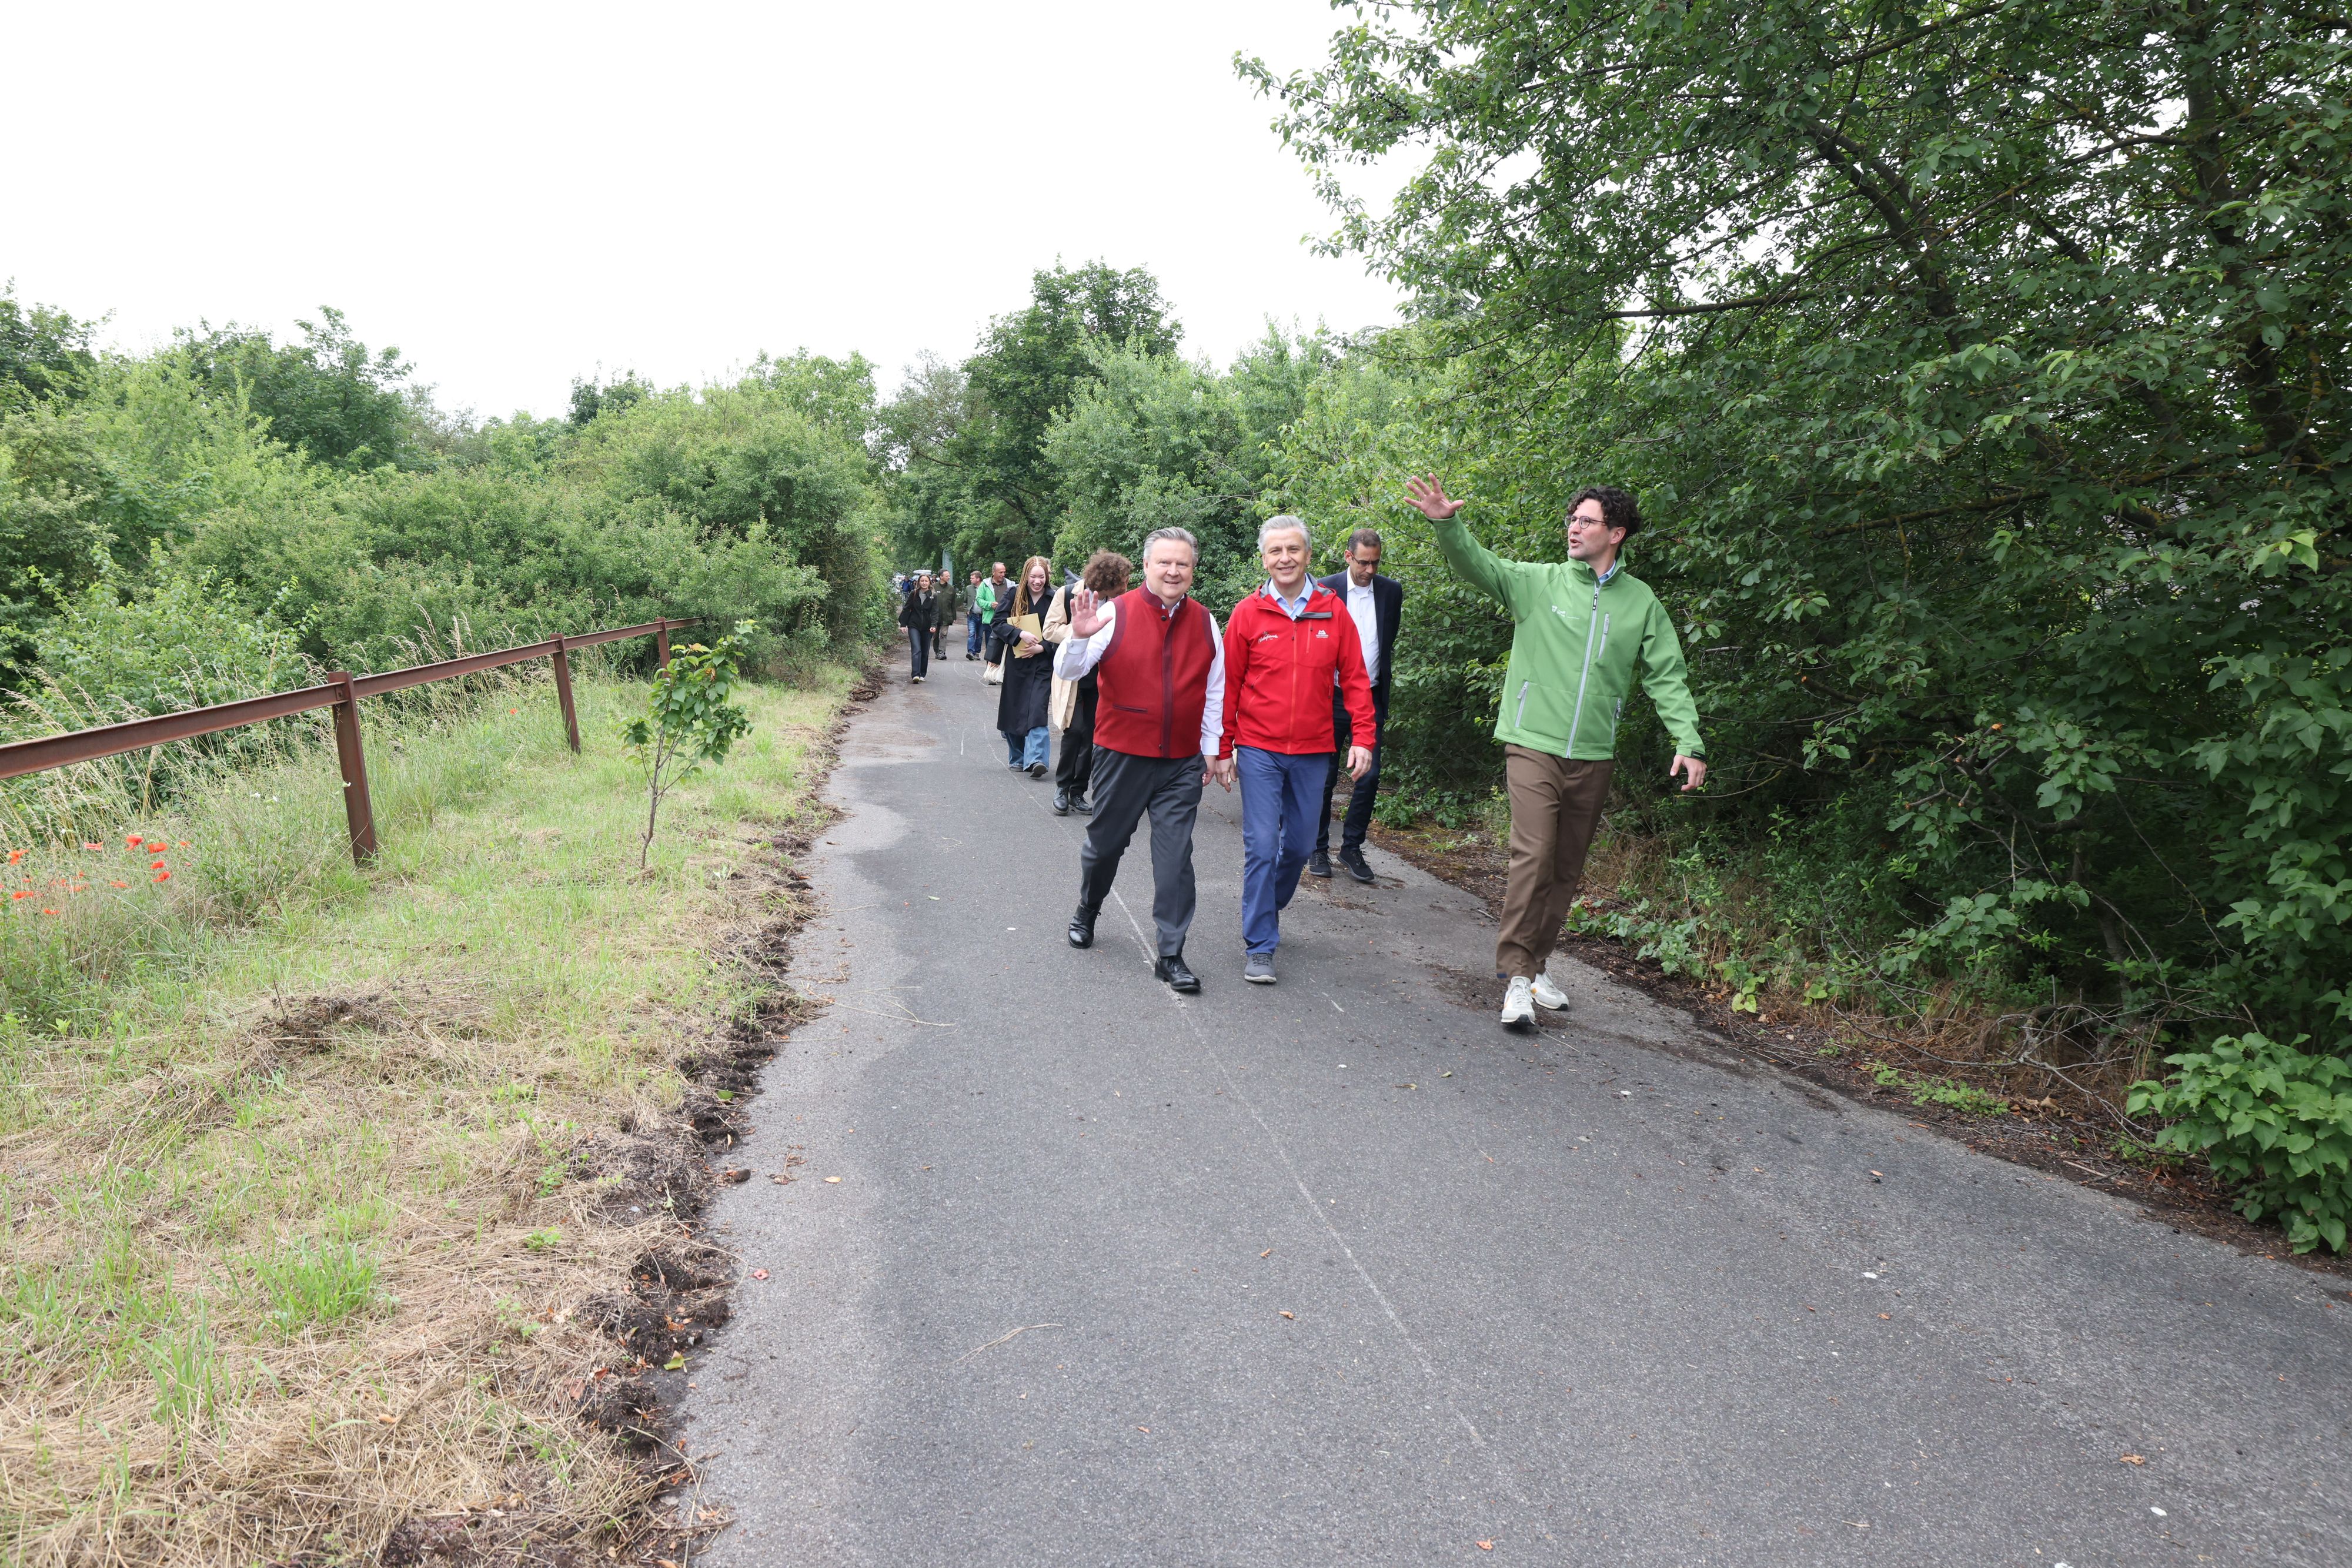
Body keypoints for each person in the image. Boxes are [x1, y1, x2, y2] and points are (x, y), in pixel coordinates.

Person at [1404, 476, 1708, 1031]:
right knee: (1534, 855)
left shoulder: (1641, 602)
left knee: (1565, 868)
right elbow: (1479, 565)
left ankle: (1538, 964)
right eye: (1572, 518)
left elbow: (1667, 675)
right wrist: (1446, 523)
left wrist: (1688, 741)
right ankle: (1516, 976)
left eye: (1586, 520)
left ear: (1616, 533)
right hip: (1533, 743)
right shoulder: (1538, 583)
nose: (1574, 526)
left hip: (1594, 751)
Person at [1056, 527, 1230, 994]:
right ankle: (1088, 908)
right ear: (1147, 565)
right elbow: (1070, 671)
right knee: (1104, 847)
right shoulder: (1115, 613)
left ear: (1193, 570)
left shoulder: (1206, 621)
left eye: (1183, 564)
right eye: (1165, 563)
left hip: (1180, 763)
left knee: (1175, 859)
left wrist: (1212, 749)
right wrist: (1077, 636)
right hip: (1121, 755)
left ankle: (1170, 954)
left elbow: (1215, 690)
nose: (1174, 571)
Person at [1215, 517, 1375, 985]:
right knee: (1262, 845)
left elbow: (1357, 679)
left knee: (1302, 845)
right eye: (1274, 551)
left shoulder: (1332, 611)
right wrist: (1224, 747)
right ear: (1263, 559)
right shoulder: (1248, 613)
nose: (1284, 558)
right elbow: (1228, 686)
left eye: (1293, 549)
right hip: (1260, 749)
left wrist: (1363, 736)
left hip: (1313, 750)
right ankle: (1260, 944)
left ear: (1308, 555)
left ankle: (1267, 903)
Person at [1309, 528, 1404, 885]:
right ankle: (1317, 847)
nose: (1370, 569)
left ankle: (1352, 846)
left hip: (1370, 695)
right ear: (1348, 557)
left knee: (1371, 775)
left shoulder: (1391, 592)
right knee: (1325, 774)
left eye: (1376, 562)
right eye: (1364, 562)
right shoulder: (1324, 589)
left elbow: (1386, 640)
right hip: (1329, 697)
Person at [1043, 550, 1131, 817]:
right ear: (1108, 581)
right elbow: (1049, 630)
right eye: (1123, 581)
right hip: (1074, 675)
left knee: (1094, 736)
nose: (1127, 586)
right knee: (1075, 732)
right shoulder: (1069, 593)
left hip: (1104, 676)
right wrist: (1082, 632)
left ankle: (1079, 792)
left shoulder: (1120, 602)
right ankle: (1062, 789)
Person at [994, 556, 1057, 775]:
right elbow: (997, 623)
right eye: (1034, 577)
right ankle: (1018, 756)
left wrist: (1044, 648)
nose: (1038, 581)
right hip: (1017, 662)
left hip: (1042, 663)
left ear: (1047, 576)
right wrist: (1019, 633)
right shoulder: (1014, 594)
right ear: (1026, 576)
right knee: (1015, 708)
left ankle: (1037, 759)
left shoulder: (1055, 597)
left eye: (1042, 577)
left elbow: (1064, 631)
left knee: (1038, 708)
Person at [897, 571, 937, 683]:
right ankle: (915, 675)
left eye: (926, 581)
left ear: (930, 583)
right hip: (914, 625)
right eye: (922, 581)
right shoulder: (914, 594)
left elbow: (935, 612)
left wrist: (934, 625)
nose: (924, 583)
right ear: (919, 582)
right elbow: (906, 609)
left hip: (927, 627)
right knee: (916, 649)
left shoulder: (933, 596)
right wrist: (903, 625)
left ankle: (922, 673)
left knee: (925, 652)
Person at [978, 561, 1012, 661]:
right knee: (992, 649)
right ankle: (990, 672)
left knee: (1006, 650)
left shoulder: (1010, 584)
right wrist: (990, 604)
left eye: (1004, 572)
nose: (1003, 575)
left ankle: (1003, 673)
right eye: (1000, 572)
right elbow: (979, 600)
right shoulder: (985, 585)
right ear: (994, 572)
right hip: (990, 622)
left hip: (1007, 622)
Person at [964, 570, 988, 660]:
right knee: (971, 634)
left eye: (972, 578)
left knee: (980, 636)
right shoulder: (969, 588)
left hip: (983, 616)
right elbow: (965, 601)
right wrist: (966, 609)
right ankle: (970, 652)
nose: (971, 579)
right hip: (972, 615)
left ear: (978, 579)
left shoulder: (986, 588)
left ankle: (977, 653)